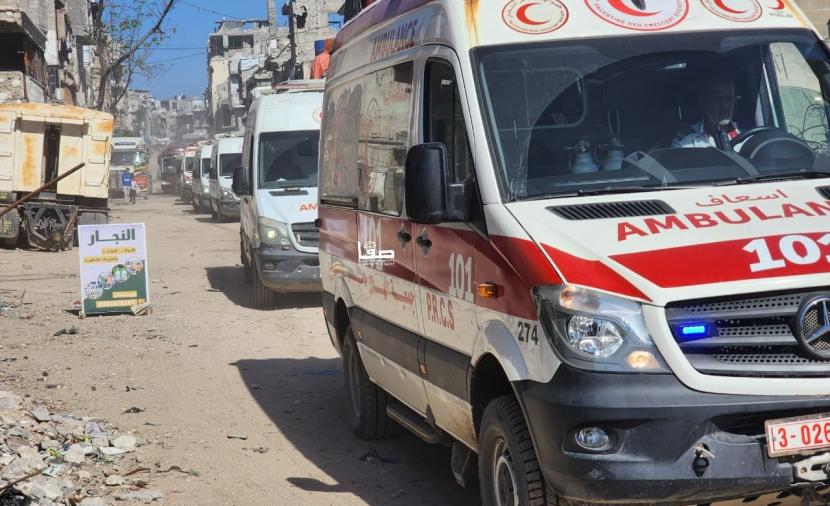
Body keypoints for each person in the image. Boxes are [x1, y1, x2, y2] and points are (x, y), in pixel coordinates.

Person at [673, 76, 741, 150]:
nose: (725, 105)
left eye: (729, 98)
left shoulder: (745, 134)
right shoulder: (685, 142)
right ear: (703, 103)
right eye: (718, 99)